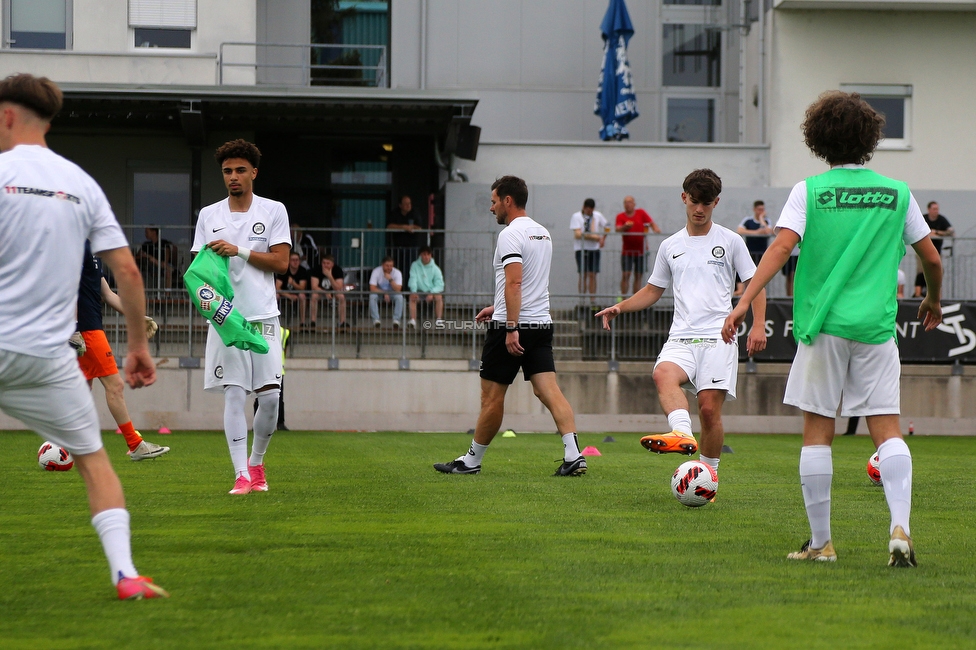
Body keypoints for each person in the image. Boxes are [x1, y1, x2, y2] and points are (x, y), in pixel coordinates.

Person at [723, 91, 943, 567]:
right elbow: (930, 257)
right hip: (877, 328)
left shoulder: (810, 191)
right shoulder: (898, 193)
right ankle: (899, 527)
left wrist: (743, 302)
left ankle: (822, 543)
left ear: (818, 139)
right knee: (886, 427)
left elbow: (780, 249)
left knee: (817, 432)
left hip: (823, 327)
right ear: (870, 139)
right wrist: (932, 297)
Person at [0, 73, 166, 599]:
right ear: (46, 120)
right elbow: (129, 273)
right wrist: (138, 346)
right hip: (48, 356)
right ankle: (125, 574)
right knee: (94, 461)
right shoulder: (82, 183)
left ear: (7, 116)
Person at [596, 170, 766, 483]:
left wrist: (757, 327)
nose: (699, 209)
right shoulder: (670, 245)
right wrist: (621, 306)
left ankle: (708, 476)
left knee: (709, 410)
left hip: (719, 336)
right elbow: (652, 290)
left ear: (716, 202)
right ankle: (683, 435)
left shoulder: (731, 241)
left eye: (706, 203)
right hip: (682, 336)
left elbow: (755, 283)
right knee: (662, 373)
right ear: (683, 198)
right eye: (694, 201)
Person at [434, 176, 586, 477]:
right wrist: (498, 307)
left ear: (507, 200)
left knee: (491, 397)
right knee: (549, 391)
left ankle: (471, 461)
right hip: (541, 323)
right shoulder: (543, 233)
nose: (491, 208)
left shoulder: (510, 234)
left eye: (493, 201)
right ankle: (574, 454)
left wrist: (510, 325)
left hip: (513, 326)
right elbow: (529, 282)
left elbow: (515, 282)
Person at [191, 139, 291, 496]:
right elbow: (199, 271)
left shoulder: (273, 210)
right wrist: (213, 307)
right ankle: (241, 475)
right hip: (225, 319)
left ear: (253, 173)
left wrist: (240, 250)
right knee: (234, 395)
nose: (232, 177)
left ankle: (256, 462)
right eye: (227, 171)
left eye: (239, 170)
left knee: (270, 399)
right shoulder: (208, 215)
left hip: (263, 316)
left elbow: (281, 263)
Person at [74, 240, 170, 461]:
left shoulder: (90, 248)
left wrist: (136, 318)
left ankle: (61, 443)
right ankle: (135, 445)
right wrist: (75, 326)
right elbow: (68, 287)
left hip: (88, 328)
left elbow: (107, 294)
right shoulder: (77, 242)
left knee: (81, 390)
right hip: (87, 330)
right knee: (114, 385)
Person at [616, 195, 660, 298]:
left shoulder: (641, 213)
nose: (628, 204)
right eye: (626, 202)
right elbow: (617, 229)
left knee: (638, 275)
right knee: (626, 275)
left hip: (641, 251)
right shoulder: (621, 216)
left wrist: (656, 229)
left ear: (634, 204)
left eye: (630, 202)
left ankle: (635, 300)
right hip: (627, 251)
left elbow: (651, 223)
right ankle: (623, 299)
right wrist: (625, 227)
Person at [570, 198, 607, 296]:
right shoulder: (577, 216)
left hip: (594, 249)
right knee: (583, 274)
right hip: (581, 249)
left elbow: (607, 225)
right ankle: (582, 299)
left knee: (592, 275)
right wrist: (593, 237)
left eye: (591, 210)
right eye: (588, 210)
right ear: (584, 208)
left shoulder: (597, 216)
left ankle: (592, 300)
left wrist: (603, 238)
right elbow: (577, 234)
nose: (589, 212)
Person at [387, 195, 426, 287]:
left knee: (411, 269)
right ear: (400, 205)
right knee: (398, 269)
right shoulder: (395, 213)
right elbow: (389, 226)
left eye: (409, 203)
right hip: (398, 247)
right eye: (406, 204)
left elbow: (419, 227)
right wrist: (404, 227)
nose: (408, 206)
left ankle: (411, 290)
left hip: (412, 247)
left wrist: (411, 227)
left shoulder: (415, 213)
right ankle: (400, 289)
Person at [408, 245, 445, 328]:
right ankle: (412, 320)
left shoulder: (436, 268)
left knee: (439, 297)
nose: (426, 257)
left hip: (431, 291)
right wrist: (414, 291)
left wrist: (432, 293)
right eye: (424, 254)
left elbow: (440, 284)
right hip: (419, 291)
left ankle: (439, 320)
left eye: (428, 254)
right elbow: (413, 279)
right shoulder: (414, 265)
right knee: (412, 297)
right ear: (420, 255)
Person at [310, 254, 347, 329]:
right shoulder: (317, 269)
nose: (325, 265)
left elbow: (338, 288)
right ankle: (313, 322)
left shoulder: (337, 270)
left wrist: (329, 276)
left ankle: (342, 322)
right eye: (323, 263)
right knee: (314, 296)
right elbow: (314, 287)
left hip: (334, 292)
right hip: (321, 291)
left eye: (328, 263)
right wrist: (325, 292)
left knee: (341, 297)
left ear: (332, 264)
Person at [275, 250, 310, 328]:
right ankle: (275, 322)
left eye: (297, 260)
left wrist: (293, 283)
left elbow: (302, 288)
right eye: (293, 260)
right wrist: (289, 296)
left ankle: (302, 322)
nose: (295, 262)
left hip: (297, 294)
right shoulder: (284, 270)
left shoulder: (302, 271)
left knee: (302, 296)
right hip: (284, 294)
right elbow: (277, 287)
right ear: (289, 261)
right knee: (276, 296)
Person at [369, 256, 404, 328]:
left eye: (391, 266)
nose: (389, 268)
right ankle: (376, 320)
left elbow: (398, 289)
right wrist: (384, 293)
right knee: (372, 296)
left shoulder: (397, 272)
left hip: (392, 293)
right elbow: (372, 288)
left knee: (399, 297)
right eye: (387, 266)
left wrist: (390, 279)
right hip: (379, 293)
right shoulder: (376, 271)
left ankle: (396, 320)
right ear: (382, 265)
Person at [737, 200, 773, 265]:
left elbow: (768, 231)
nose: (761, 211)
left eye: (762, 209)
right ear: (754, 209)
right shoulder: (748, 220)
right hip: (750, 252)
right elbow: (740, 230)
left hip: (763, 252)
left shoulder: (766, 221)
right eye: (759, 209)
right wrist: (756, 232)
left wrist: (761, 219)